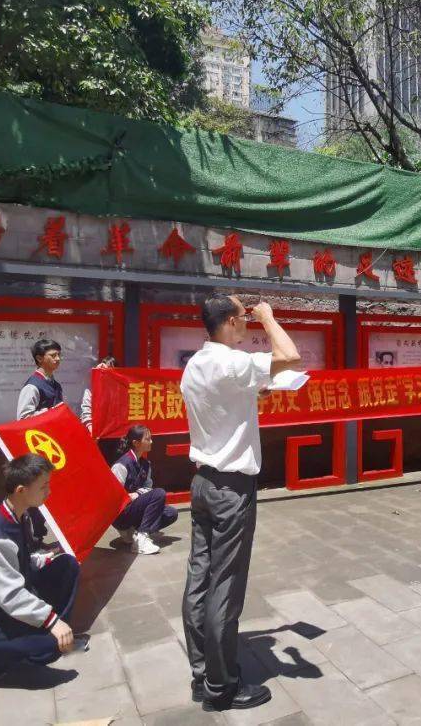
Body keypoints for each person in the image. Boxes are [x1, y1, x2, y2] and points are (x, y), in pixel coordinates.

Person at [180, 296, 300, 711]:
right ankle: (222, 686)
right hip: (231, 489)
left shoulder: (196, 364)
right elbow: (290, 355)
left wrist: (252, 403)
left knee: (199, 578)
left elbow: (223, 407)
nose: (248, 321)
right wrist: (268, 315)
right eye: (244, 317)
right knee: (225, 586)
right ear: (231, 321)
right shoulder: (232, 362)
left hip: (202, 481)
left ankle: (202, 674)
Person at [0, 454, 86, 686]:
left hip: (6, 606)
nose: (49, 491)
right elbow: (11, 596)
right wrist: (53, 622)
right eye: (43, 486)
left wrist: (48, 558)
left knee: (67, 565)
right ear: (21, 490)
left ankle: (54, 632)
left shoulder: (18, 515)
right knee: (50, 648)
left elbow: (21, 561)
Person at [110, 424, 179, 554]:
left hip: (135, 507)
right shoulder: (121, 465)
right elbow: (113, 497)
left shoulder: (145, 464)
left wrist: (137, 493)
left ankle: (136, 533)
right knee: (159, 493)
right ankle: (141, 539)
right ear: (136, 443)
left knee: (171, 513)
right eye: (147, 439)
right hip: (121, 514)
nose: (151, 441)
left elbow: (148, 487)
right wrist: (134, 495)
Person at [17, 338, 64, 420]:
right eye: (53, 355)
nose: (58, 359)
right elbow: (23, 419)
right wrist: (50, 412)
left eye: (59, 355)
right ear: (39, 358)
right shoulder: (32, 387)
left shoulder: (56, 385)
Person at [80, 355, 117, 434]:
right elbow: (86, 412)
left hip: (113, 433)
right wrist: (91, 429)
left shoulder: (119, 389)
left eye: (109, 368)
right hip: (95, 432)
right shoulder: (91, 389)